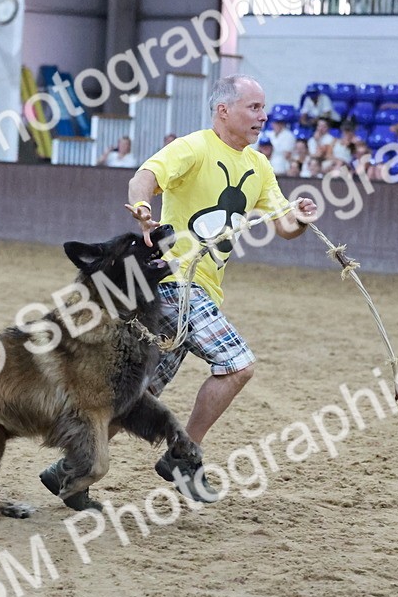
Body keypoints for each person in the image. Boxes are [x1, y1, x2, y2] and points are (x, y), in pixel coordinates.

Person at [114, 74, 318, 501]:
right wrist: (142, 206)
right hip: (174, 284)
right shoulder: (193, 146)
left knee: (143, 392)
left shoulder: (259, 166)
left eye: (264, 108)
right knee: (238, 364)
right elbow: (145, 176)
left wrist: (301, 216)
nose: (263, 116)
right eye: (254, 107)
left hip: (200, 293)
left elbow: (284, 227)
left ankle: (70, 469)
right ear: (223, 110)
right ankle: (183, 455)